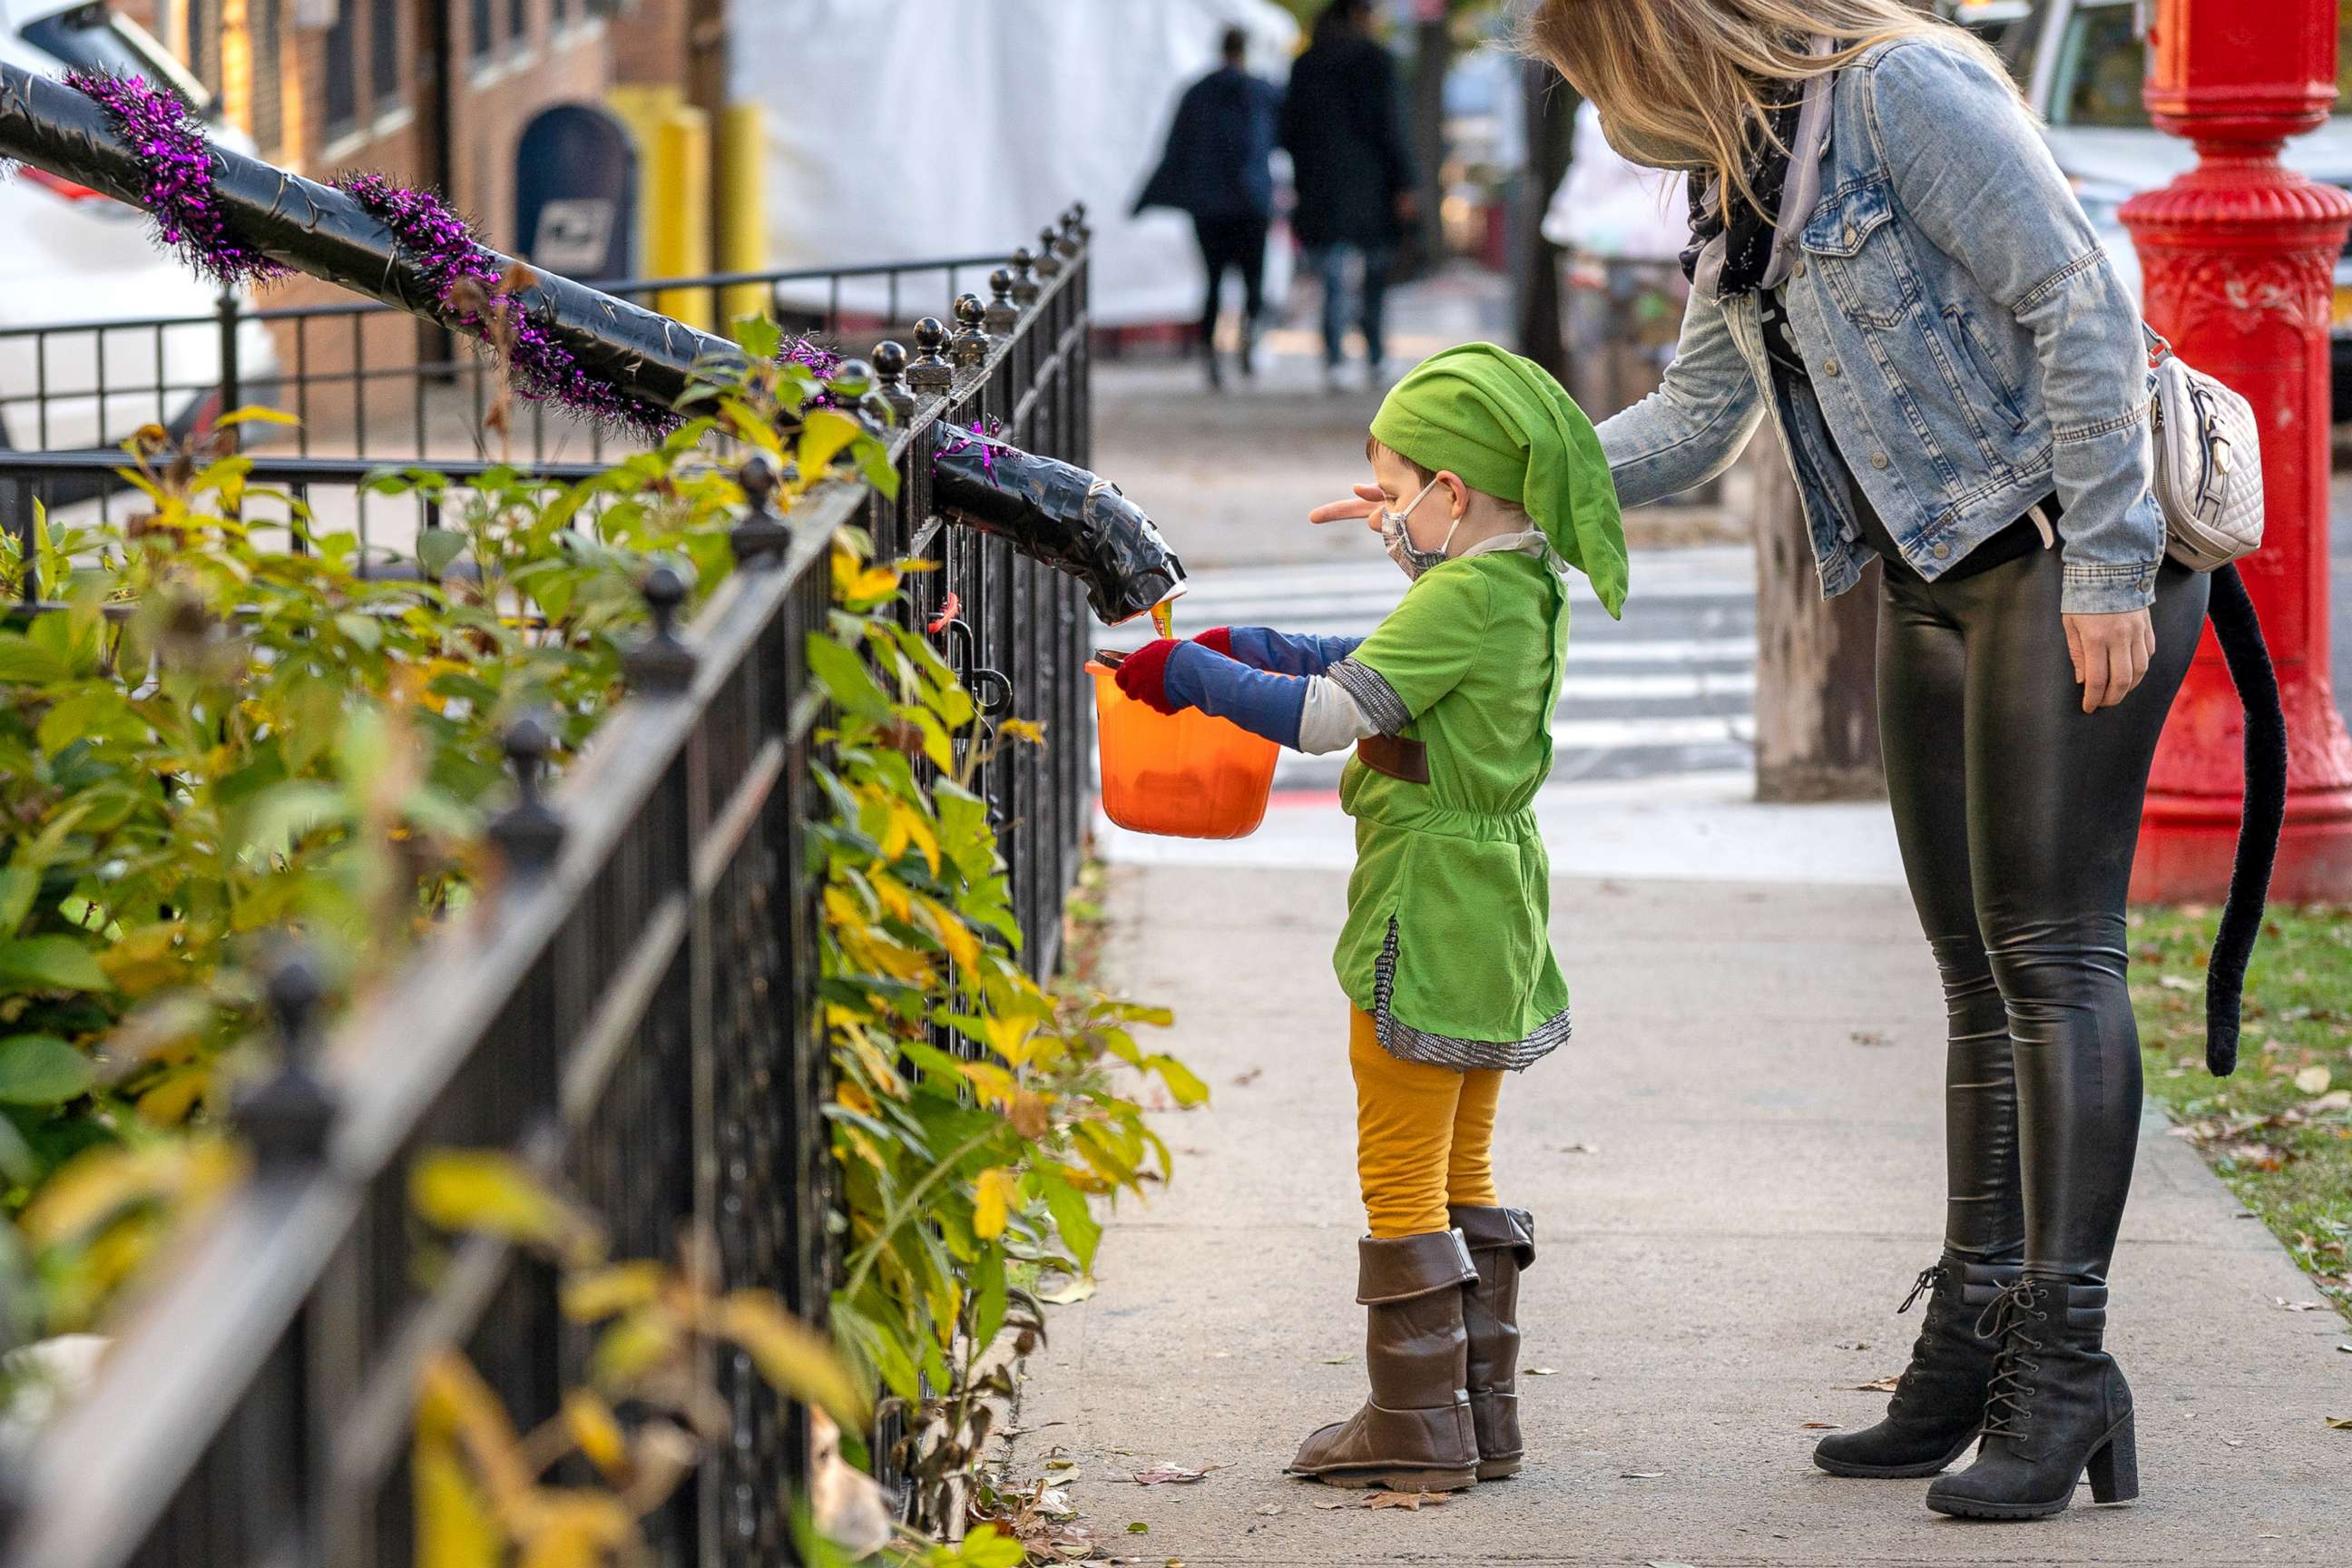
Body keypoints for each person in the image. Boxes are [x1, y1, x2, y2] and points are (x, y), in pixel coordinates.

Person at [1519, 0, 2209, 1522]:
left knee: (2054, 955)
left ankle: (2064, 1363)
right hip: (1928, 575)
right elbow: (1702, 415)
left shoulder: (1902, 92)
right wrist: (1502, 484)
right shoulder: (1745, 166)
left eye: (1597, 79)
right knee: (1974, 973)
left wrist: (2106, 564)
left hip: (2056, 553)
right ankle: (1971, 1342)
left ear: (1656, 41)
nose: (1603, 118)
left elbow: (2076, 299)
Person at [1112, 343, 1629, 1492]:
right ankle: (1481, 1416)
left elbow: (1330, 718)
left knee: (1399, 1167)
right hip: (1497, 909)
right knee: (1466, 1162)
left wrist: (1184, 676)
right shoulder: (1524, 582)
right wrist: (1248, 647)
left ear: (1452, 493)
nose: (1383, 516)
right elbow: (1389, 678)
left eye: (1397, 495)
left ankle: (1412, 1425)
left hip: (1424, 905)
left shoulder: (1464, 591)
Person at [1134, 25, 1283, 387]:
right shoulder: (1261, 92)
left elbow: (1177, 147)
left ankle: (1211, 356)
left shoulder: (1198, 93)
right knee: (1253, 280)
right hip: (1251, 202)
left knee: (1213, 282)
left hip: (1210, 205)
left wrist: (1154, 194)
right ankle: (1248, 343)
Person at [1281, 0, 1416, 390]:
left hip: (1321, 185)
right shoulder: (1377, 62)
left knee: (1333, 275)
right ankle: (1375, 354)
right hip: (1373, 183)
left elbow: (1288, 131)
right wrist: (1406, 183)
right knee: (1374, 273)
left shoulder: (1305, 64)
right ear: (1360, 16)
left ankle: (1335, 358)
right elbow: (1394, 126)